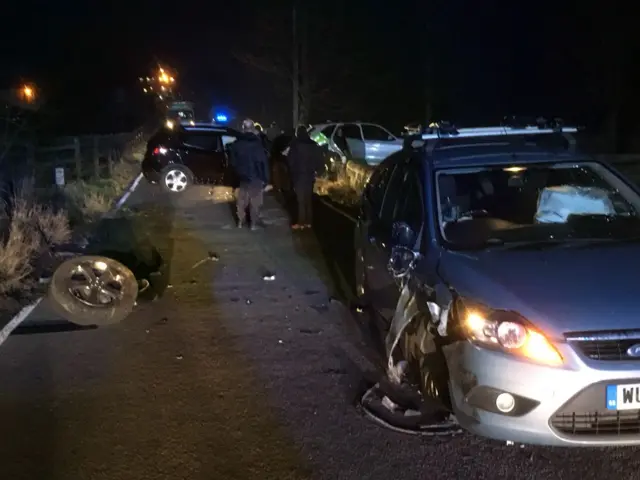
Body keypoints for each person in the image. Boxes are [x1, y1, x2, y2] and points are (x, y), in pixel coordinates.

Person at [228, 119, 272, 230]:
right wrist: (266, 179)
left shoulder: (236, 144)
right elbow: (263, 162)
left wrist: (238, 173)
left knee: (242, 200)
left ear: (243, 129)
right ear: (252, 129)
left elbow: (232, 163)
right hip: (256, 177)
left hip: (242, 177)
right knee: (255, 201)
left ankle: (240, 221)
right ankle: (253, 224)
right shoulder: (257, 145)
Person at [285, 125, 325, 229]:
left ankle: (301, 222)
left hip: (299, 176)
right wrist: (319, 171)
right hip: (310, 175)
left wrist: (290, 173)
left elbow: (290, 161)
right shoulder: (314, 145)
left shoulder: (295, 145)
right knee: (308, 199)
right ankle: (309, 222)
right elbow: (320, 160)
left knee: (301, 200)